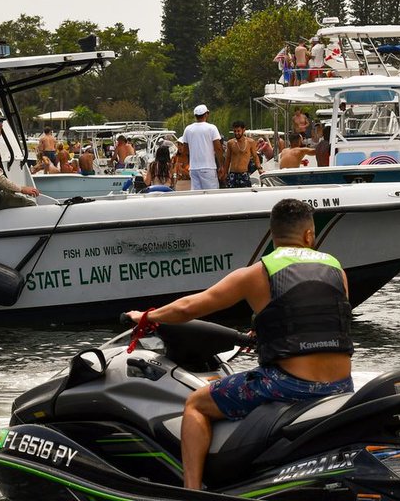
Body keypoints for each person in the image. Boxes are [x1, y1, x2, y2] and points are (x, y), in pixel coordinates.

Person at [126, 198, 353, 490]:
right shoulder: (338, 270)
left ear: (273, 237)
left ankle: (192, 491)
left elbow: (189, 308)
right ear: (309, 235)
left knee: (196, 404)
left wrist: (146, 316)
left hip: (289, 385)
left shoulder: (259, 273)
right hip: (341, 385)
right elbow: (320, 321)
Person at [179, 104, 224, 191]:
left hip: (194, 168)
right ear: (206, 114)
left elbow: (185, 151)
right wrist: (221, 166)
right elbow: (218, 148)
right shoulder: (211, 128)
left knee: (197, 195)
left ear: (195, 116)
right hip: (208, 167)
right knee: (211, 194)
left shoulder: (188, 129)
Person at [225, 121, 262, 188]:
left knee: (245, 194)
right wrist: (225, 173)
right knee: (231, 194)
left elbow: (255, 156)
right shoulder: (230, 143)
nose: (236, 133)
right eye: (235, 131)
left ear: (243, 130)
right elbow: (227, 159)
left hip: (244, 173)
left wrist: (259, 168)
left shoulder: (250, 142)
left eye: (238, 131)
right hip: (233, 174)